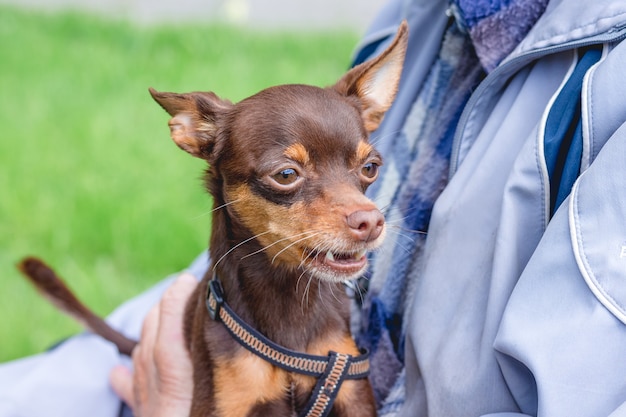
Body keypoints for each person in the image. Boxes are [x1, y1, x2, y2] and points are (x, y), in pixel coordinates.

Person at [3, 0, 626, 416]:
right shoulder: (429, 12)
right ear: (191, 136)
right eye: (287, 175)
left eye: (366, 172)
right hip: (213, 311)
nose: (363, 211)